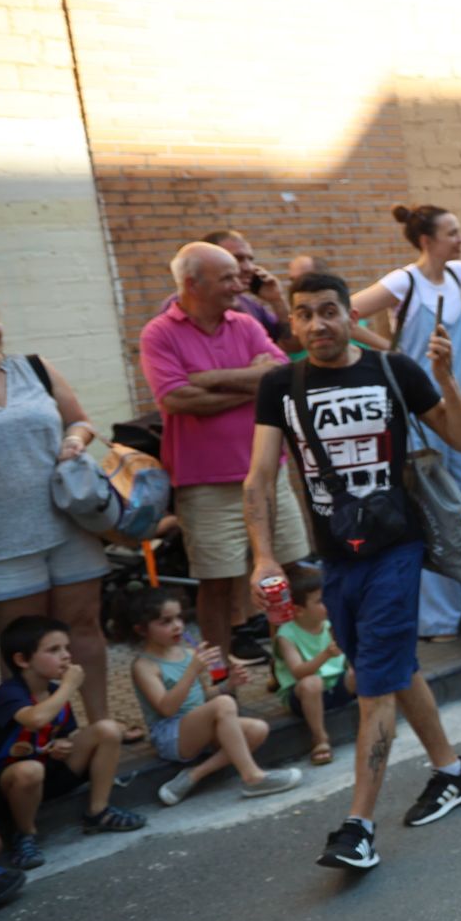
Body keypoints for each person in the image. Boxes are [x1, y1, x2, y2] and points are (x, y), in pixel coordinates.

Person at [248, 272, 461, 872]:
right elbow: (259, 477)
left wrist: (447, 378)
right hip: (336, 557)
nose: (318, 324)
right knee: (386, 669)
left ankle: (358, 827)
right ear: (294, 323)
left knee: (374, 686)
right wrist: (264, 556)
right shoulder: (280, 385)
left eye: (330, 311)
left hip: (396, 547)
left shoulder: (393, 371)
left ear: (349, 316)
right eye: (305, 315)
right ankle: (453, 771)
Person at [347, 203, 461, 638]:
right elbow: (345, 313)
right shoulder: (404, 280)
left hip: (457, 409)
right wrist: (388, 348)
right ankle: (440, 620)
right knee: (434, 512)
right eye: (452, 233)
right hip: (419, 415)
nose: (460, 239)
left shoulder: (457, 273)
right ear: (427, 240)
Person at [141, 242, 309, 660]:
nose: (240, 284)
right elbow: (177, 400)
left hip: (268, 473)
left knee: (289, 572)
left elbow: (282, 376)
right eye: (228, 277)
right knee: (217, 583)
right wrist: (251, 382)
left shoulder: (246, 323)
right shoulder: (159, 333)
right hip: (205, 483)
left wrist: (211, 378)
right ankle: (219, 678)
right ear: (192, 284)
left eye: (238, 274)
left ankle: (295, 667)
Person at [0, 299, 122, 730]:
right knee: (24, 647)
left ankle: (100, 725)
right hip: (5, 542)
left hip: (70, 527)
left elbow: (80, 421)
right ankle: (34, 739)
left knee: (82, 626)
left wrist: (75, 441)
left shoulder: (35, 369)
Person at [0, 615, 142, 870]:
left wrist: (64, 745)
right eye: (53, 650)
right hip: (7, 787)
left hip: (48, 774)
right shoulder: (9, 693)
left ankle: (98, 811)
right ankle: (25, 834)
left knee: (107, 730)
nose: (65, 656)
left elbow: (66, 732)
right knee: (30, 770)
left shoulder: (53, 691)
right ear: (22, 660)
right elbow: (36, 718)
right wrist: (69, 686)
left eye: (66, 648)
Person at [127, 589, 298, 808]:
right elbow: (166, 709)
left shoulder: (187, 653)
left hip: (199, 728)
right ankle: (252, 777)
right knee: (225, 704)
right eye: (165, 622)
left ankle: (194, 775)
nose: (178, 626)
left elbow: (203, 696)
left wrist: (229, 684)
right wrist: (192, 670)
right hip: (172, 735)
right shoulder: (144, 666)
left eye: (179, 618)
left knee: (258, 729)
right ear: (141, 630)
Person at [271, 568, 354, 767]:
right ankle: (320, 739)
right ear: (299, 610)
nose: (327, 604)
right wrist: (325, 655)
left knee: (361, 671)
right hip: (303, 696)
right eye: (319, 601)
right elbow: (298, 672)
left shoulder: (328, 624)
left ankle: (374, 722)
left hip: (334, 687)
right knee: (311, 682)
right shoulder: (286, 634)